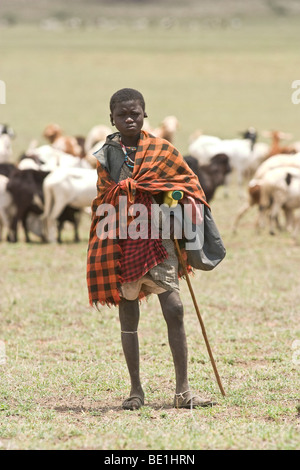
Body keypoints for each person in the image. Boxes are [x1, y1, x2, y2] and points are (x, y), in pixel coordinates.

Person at [87, 88, 216, 410]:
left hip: (160, 237)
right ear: (112, 119)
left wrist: (171, 198)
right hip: (122, 237)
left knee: (175, 309)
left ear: (145, 114)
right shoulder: (107, 155)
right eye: (122, 114)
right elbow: (103, 195)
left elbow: (187, 186)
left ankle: (183, 391)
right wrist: (126, 192)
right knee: (128, 313)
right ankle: (135, 391)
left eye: (135, 113)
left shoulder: (163, 150)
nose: (129, 118)